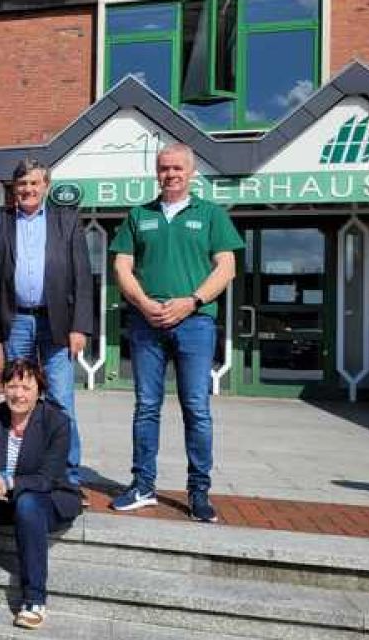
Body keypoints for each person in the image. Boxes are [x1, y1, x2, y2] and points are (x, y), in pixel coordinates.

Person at [109, 142, 242, 523]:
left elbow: (226, 268)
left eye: (178, 168)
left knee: (196, 408)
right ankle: (143, 486)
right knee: (146, 407)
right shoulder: (139, 215)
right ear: (156, 171)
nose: (170, 174)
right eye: (164, 168)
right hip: (146, 323)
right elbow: (121, 266)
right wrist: (144, 303)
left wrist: (192, 301)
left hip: (195, 323)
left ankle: (199, 491)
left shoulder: (212, 215)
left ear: (191, 172)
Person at [0, 158, 93, 490]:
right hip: (16, 323)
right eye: (22, 183)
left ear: (45, 187)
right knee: (17, 395)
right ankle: (16, 469)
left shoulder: (67, 221)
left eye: (34, 183)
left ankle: (67, 476)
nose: (27, 189)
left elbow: (83, 278)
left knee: (60, 400)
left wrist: (80, 326)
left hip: (57, 321)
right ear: (14, 188)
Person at [0, 359, 81, 630]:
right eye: (12, 385)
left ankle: (34, 598)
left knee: (28, 503)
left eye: (26, 387)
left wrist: (7, 482)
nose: (18, 393)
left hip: (46, 498)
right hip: (2, 496)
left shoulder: (58, 422)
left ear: (39, 390)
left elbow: (48, 478)